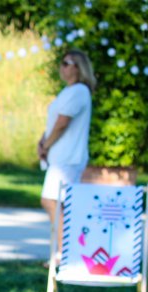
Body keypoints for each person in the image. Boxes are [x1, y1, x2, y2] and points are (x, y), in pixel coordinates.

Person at [38, 50, 96, 264]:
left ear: (78, 67)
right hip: (60, 157)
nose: (62, 67)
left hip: (68, 159)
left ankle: (64, 252)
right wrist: (41, 141)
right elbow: (54, 121)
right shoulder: (68, 91)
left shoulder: (79, 91)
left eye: (66, 63)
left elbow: (63, 123)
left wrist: (47, 144)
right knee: (56, 202)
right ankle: (63, 251)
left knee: (52, 201)